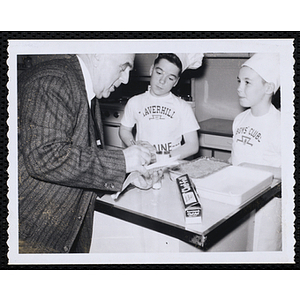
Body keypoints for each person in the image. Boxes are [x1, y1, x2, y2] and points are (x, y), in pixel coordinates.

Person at [18, 53, 157, 253]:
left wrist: (128, 177)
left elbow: (79, 164)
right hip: (31, 236)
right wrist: (122, 160)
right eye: (123, 67)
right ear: (98, 56)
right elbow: (44, 157)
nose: (126, 78)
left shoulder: (86, 92)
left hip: (55, 234)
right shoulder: (55, 80)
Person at [230, 53, 282, 251]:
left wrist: (248, 169)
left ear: (268, 88)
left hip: (266, 210)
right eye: (239, 81)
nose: (239, 88)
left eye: (247, 82)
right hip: (239, 203)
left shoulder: (281, 125)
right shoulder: (239, 120)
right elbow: (236, 157)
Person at [119, 53, 202, 162]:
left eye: (170, 78)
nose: (162, 81)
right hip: (143, 163)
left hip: (172, 164)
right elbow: (124, 129)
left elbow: (192, 145)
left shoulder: (182, 107)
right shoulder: (135, 102)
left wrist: (160, 157)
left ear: (176, 82)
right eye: (159, 73)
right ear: (151, 70)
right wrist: (135, 146)